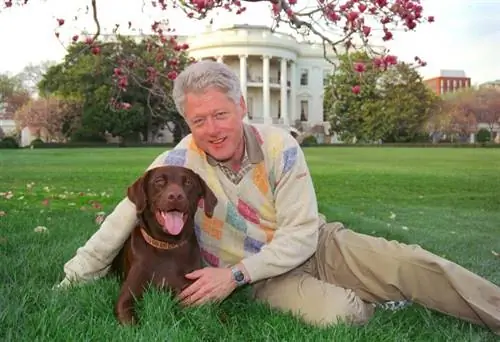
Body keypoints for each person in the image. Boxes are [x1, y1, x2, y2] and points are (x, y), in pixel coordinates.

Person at [56, 60, 500, 335]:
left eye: (220, 114)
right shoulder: (177, 163)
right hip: (260, 277)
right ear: (186, 123)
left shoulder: (279, 145)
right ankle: (372, 294)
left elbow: (304, 233)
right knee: (343, 314)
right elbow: (118, 223)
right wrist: (72, 278)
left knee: (413, 264)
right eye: (199, 120)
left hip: (318, 245)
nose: (212, 129)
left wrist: (236, 276)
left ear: (241, 107)